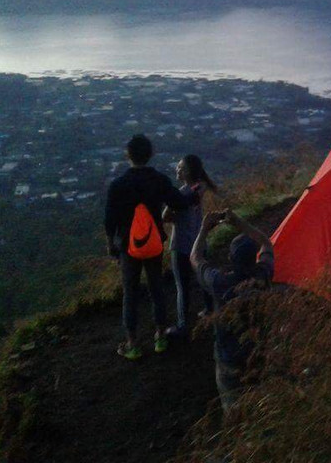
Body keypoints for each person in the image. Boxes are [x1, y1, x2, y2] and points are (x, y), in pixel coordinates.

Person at [104, 134, 187, 360]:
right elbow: (179, 201)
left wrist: (111, 244)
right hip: (153, 244)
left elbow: (109, 220)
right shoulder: (158, 180)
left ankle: (132, 343)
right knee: (156, 288)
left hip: (127, 247)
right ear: (150, 154)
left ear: (127, 155)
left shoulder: (118, 185)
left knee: (130, 293)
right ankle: (160, 336)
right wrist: (194, 191)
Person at [191, 209, 274, 409]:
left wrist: (204, 229)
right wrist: (239, 221)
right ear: (254, 257)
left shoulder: (220, 282)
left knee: (233, 409)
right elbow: (266, 243)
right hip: (259, 358)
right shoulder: (263, 274)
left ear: (230, 257)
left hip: (229, 360)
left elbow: (195, 257)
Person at [162, 154, 217, 339]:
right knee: (203, 278)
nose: (177, 170)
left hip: (181, 245)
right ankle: (210, 311)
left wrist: (177, 218)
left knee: (182, 287)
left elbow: (164, 216)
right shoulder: (200, 187)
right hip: (199, 242)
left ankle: (182, 325)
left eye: (181, 168)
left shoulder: (183, 193)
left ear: (189, 172)